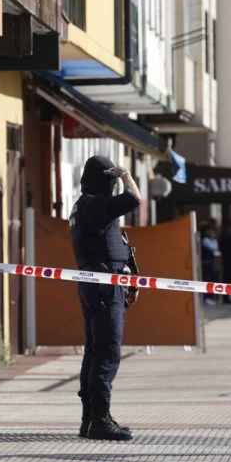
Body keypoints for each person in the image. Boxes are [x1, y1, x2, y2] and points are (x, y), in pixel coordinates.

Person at [69, 155, 142, 441]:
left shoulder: (84, 206)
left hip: (98, 285)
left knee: (95, 351)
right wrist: (126, 175)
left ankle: (92, 419)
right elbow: (135, 198)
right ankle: (98, 420)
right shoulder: (95, 205)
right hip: (103, 287)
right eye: (110, 179)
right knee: (107, 352)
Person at [200, 219, 222, 304]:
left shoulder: (212, 240)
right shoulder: (205, 240)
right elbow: (213, 248)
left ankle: (212, 297)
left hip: (213, 263)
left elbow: (216, 248)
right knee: (207, 280)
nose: (212, 232)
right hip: (207, 263)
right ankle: (207, 297)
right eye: (210, 231)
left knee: (213, 279)